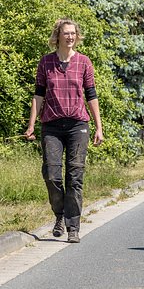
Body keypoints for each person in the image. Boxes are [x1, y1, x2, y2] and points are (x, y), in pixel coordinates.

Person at [25, 19, 104, 244]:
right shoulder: (46, 62)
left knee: (75, 176)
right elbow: (38, 95)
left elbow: (91, 95)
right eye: (65, 33)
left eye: (73, 34)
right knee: (51, 174)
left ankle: (73, 226)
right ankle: (59, 215)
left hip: (78, 125)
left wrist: (99, 127)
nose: (69, 37)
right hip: (51, 125)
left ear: (77, 36)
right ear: (58, 36)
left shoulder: (84, 62)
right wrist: (32, 125)